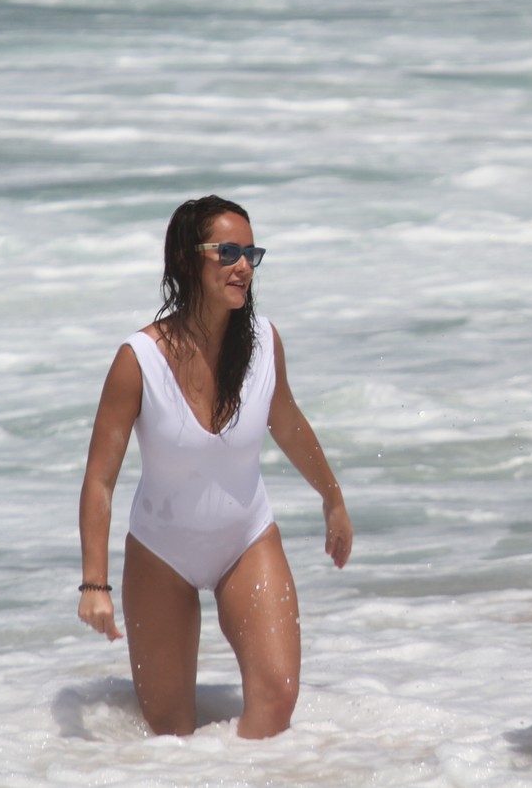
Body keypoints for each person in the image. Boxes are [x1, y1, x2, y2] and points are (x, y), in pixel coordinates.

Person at [77, 195, 353, 739]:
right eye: (227, 251)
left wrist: (333, 499)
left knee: (276, 702)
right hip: (162, 553)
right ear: (187, 260)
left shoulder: (263, 344)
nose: (243, 265)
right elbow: (100, 479)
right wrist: (94, 584)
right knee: (171, 735)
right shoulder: (139, 360)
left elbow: (288, 422)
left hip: (245, 539)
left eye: (250, 252)